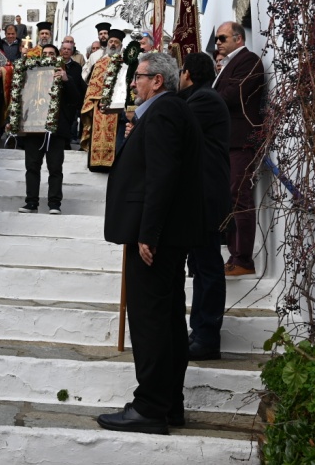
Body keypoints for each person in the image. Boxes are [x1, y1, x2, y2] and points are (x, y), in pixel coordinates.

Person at [96, 52, 206, 435]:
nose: (133, 83)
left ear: (157, 80)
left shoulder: (163, 113)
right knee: (168, 319)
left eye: (139, 76)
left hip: (157, 239)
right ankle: (169, 404)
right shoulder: (166, 112)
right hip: (166, 235)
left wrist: (149, 232)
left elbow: (162, 176)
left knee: (151, 322)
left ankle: (150, 407)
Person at [179, 52, 232, 360]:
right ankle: (199, 331)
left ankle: (208, 336)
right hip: (199, 195)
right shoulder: (200, 97)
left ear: (188, 74)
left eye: (180, 72)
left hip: (206, 195)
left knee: (208, 267)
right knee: (200, 266)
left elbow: (177, 128)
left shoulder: (204, 100)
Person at [213, 21, 265, 277]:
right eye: (216, 39)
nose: (217, 43)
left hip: (241, 141)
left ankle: (243, 258)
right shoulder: (228, 65)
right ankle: (234, 255)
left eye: (222, 38)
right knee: (230, 197)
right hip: (227, 142)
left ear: (238, 38)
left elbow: (231, 96)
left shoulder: (248, 60)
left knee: (239, 196)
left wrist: (210, 96)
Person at [19, 44, 85, 214]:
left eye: (51, 53)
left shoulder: (66, 75)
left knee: (55, 168)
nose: (48, 56)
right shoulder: (31, 74)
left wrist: (66, 80)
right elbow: (21, 96)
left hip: (56, 130)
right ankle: (31, 202)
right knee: (32, 167)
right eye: (45, 53)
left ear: (57, 57)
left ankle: (54, 203)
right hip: (33, 127)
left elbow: (77, 99)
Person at [80, 28, 125, 171]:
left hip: (117, 109)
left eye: (116, 42)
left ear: (121, 45)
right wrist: (92, 102)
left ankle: (114, 165)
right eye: (111, 41)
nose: (113, 44)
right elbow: (92, 85)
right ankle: (96, 163)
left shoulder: (125, 64)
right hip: (99, 107)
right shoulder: (99, 63)